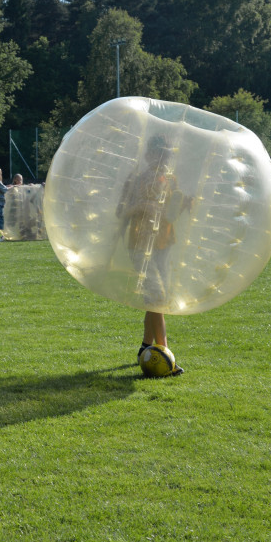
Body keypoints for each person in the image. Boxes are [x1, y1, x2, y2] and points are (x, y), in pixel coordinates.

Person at [115, 135, 188, 376]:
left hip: (164, 243)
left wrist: (186, 204)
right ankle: (165, 355)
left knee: (156, 300)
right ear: (149, 155)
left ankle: (146, 347)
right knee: (157, 296)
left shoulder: (171, 180)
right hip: (140, 244)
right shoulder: (135, 178)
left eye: (167, 155)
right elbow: (120, 211)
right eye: (160, 154)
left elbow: (171, 213)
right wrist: (140, 206)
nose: (164, 159)